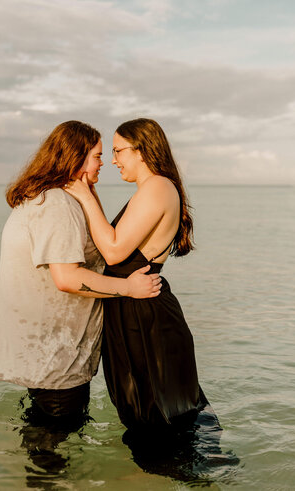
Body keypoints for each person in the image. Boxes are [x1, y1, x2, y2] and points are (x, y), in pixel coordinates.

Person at [0, 120, 161, 427]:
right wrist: (128, 287)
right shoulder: (59, 205)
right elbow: (67, 278)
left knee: (46, 447)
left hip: (44, 354)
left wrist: (88, 194)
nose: (103, 163)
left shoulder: (43, 196)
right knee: (53, 457)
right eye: (96, 156)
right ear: (75, 158)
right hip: (56, 360)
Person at [65, 117, 208, 431]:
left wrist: (85, 195)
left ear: (141, 151)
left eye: (118, 151)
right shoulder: (153, 188)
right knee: (152, 411)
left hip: (145, 314)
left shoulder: (157, 187)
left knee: (154, 413)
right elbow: (113, 243)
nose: (114, 160)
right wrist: (88, 191)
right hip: (136, 308)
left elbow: (113, 251)